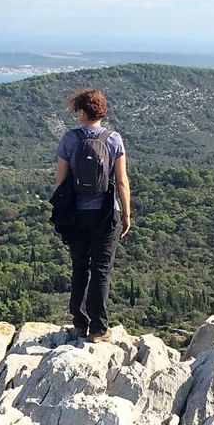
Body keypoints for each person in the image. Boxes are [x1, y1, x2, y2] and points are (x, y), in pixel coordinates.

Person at [54, 88, 131, 343]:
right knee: (101, 270)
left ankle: (79, 324)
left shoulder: (70, 139)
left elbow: (60, 182)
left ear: (81, 112)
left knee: (80, 268)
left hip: (77, 214)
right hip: (107, 214)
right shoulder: (114, 139)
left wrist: (60, 214)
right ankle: (99, 328)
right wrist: (127, 214)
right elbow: (121, 182)